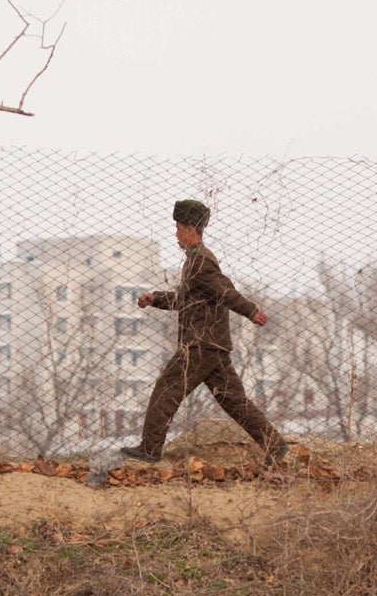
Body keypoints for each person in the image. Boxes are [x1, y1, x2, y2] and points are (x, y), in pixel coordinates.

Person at [120, 199, 291, 467]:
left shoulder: (200, 262)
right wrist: (155, 299)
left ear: (190, 228)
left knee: (166, 390)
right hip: (213, 345)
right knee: (233, 400)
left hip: (200, 344)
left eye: (178, 227)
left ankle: (150, 449)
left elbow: (225, 292)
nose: (175, 233)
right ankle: (275, 445)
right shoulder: (196, 261)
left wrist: (251, 311)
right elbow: (186, 299)